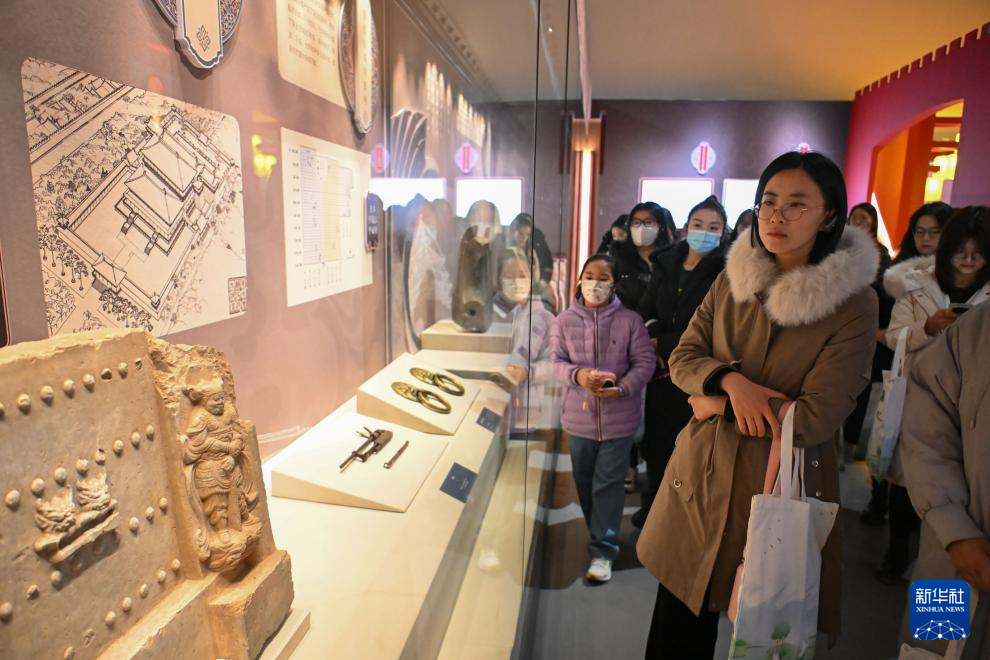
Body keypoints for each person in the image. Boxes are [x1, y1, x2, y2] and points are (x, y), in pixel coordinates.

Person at [637, 151, 879, 658]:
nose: (776, 216)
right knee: (676, 626)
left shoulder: (853, 302)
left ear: (828, 216)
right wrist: (729, 382)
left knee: (766, 634)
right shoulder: (733, 277)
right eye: (769, 201)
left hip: (782, 483)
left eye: (797, 205)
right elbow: (683, 357)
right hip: (702, 476)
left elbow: (815, 418)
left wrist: (715, 404)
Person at [876, 207, 990, 585]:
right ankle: (897, 553)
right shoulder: (916, 287)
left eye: (978, 252)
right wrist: (926, 328)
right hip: (921, 401)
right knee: (938, 595)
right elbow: (893, 336)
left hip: (969, 444)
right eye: (960, 252)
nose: (968, 260)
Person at [550, 254, 655, 583]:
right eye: (589, 276)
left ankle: (603, 550)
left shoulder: (630, 321)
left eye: (603, 278)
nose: (595, 284)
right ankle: (599, 533)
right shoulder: (564, 321)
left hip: (619, 421)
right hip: (578, 420)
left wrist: (622, 388)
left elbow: (645, 363)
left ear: (614, 284)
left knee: (607, 485)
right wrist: (579, 376)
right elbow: (555, 362)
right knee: (584, 483)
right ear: (580, 279)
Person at [900, 298, 990, 660]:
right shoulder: (977, 327)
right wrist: (953, 528)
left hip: (952, 539)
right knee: (929, 648)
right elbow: (927, 429)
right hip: (949, 551)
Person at [632, 195, 729, 528]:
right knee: (656, 440)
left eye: (714, 227)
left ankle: (678, 515)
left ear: (724, 233)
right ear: (687, 227)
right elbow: (646, 309)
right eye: (698, 224)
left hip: (696, 369)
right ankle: (652, 505)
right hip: (660, 369)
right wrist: (655, 337)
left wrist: (666, 342)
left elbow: (714, 327)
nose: (704, 232)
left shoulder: (724, 272)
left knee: (688, 442)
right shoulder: (666, 263)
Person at [860, 201, 953, 525]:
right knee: (885, 439)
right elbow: (892, 327)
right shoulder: (899, 274)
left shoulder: (957, 280)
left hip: (936, 379)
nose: (925, 239)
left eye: (934, 232)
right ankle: (878, 502)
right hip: (895, 363)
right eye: (920, 231)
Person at [842, 203, 894, 466]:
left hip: (871, 332)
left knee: (862, 393)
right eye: (855, 217)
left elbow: (884, 297)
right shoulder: (841, 249)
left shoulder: (881, 255)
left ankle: (851, 447)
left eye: (865, 217)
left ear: (873, 222)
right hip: (843, 330)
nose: (859, 221)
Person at [494, 247, 557, 432]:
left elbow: (555, 365)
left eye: (522, 275)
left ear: (532, 276)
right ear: (498, 279)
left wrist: (527, 373)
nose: (516, 281)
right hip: (489, 408)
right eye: (509, 275)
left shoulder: (545, 319)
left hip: (527, 417)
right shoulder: (488, 317)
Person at [608, 202, 677, 309]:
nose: (641, 227)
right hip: (624, 315)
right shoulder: (619, 254)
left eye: (648, 222)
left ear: (661, 226)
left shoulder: (671, 256)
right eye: (636, 222)